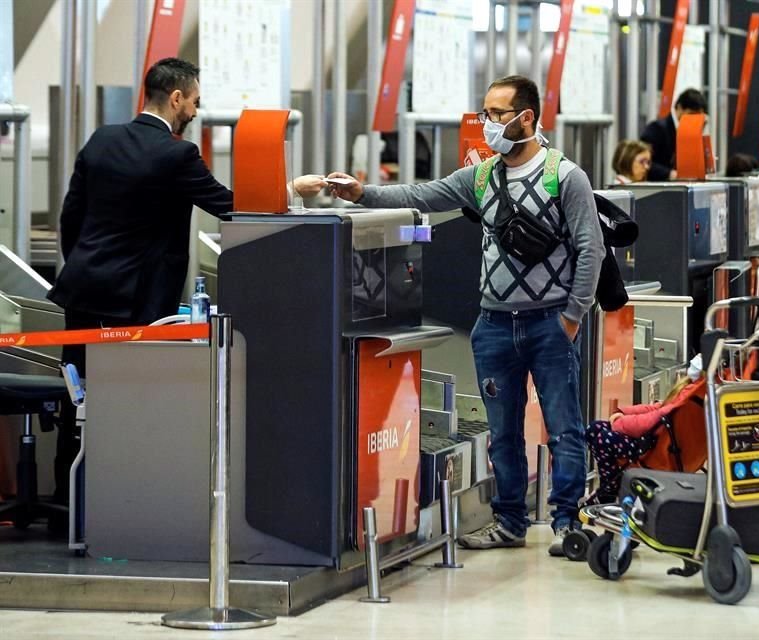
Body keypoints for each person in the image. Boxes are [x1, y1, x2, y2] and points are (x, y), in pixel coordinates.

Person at [321, 75, 604, 556]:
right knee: (503, 430)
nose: (486, 123)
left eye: (496, 114)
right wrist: (361, 193)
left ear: (526, 118)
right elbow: (420, 196)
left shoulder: (564, 176)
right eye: (485, 113)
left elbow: (590, 249)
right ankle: (511, 520)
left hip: (549, 323)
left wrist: (571, 318)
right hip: (493, 325)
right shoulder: (481, 177)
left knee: (564, 426)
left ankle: (565, 521)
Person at [46, 57, 323, 514]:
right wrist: (291, 188)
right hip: (138, 298)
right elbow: (230, 206)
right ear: (176, 98)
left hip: (82, 289)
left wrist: (84, 264)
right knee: (133, 401)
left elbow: (71, 216)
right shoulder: (176, 154)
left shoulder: (101, 140)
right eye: (194, 101)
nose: (195, 111)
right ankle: (122, 506)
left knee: (77, 395)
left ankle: (67, 501)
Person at [640, 88, 707, 181]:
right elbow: (642, 161)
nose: (693, 120)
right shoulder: (657, 128)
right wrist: (670, 173)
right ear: (679, 108)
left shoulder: (690, 131)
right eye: (691, 114)